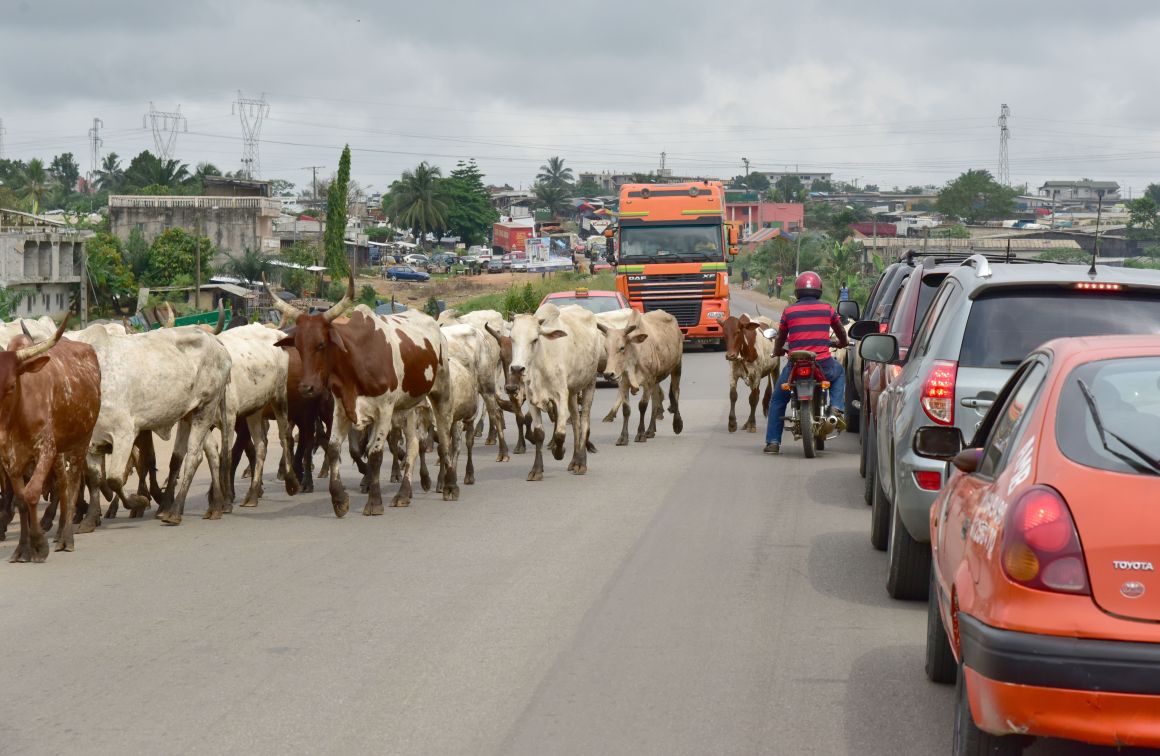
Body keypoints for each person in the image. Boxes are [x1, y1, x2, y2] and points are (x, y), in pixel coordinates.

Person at [764, 271, 850, 455]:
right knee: (839, 372)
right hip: (823, 364)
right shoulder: (827, 309)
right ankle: (836, 408)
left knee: (778, 399)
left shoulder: (789, 311)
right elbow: (841, 332)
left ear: (797, 291)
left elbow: (780, 337)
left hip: (796, 364)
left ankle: (772, 442)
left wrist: (778, 351)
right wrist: (842, 343)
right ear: (819, 290)